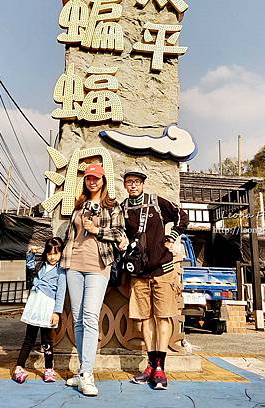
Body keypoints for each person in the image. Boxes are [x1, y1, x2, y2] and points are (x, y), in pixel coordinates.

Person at [62, 163, 127, 397]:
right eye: (89, 178)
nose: (92, 181)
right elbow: (71, 234)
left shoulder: (112, 206)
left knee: (90, 316)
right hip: (74, 265)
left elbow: (120, 234)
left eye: (96, 178)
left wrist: (97, 229)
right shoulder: (79, 205)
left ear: (103, 181)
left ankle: (88, 373)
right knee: (78, 319)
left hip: (98, 265)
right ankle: (82, 371)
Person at [120, 169, 188, 391]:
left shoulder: (156, 202)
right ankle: (151, 365)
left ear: (143, 184)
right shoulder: (123, 209)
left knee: (163, 317)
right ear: (124, 185)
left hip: (163, 270)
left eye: (137, 182)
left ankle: (161, 367)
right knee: (144, 319)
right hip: (139, 274)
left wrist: (173, 237)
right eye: (129, 182)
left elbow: (182, 216)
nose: (133, 186)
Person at [12, 237, 66, 384]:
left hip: (48, 306)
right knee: (29, 338)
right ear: (45, 254)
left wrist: (57, 312)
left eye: (56, 253)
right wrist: (30, 253)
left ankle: (49, 369)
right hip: (35, 304)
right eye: (49, 254)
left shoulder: (61, 271)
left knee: (47, 340)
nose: (52, 257)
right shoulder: (40, 265)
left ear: (61, 253)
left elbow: (61, 293)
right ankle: (19, 367)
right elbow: (29, 265)